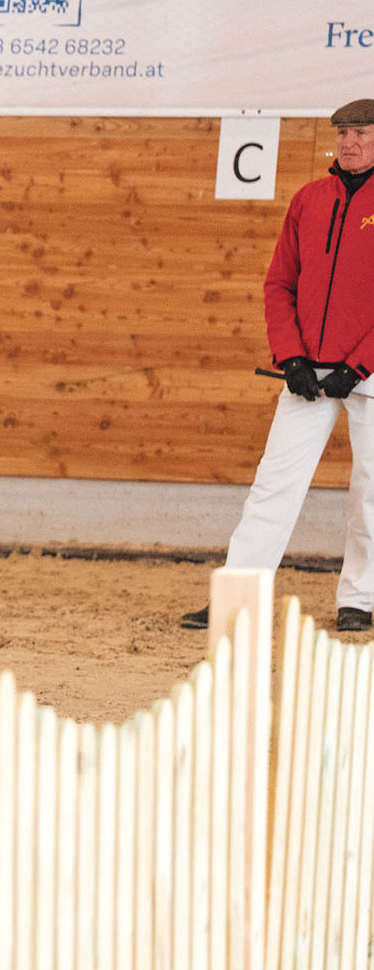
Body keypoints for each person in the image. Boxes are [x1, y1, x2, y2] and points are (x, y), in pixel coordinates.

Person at [182, 98, 374, 635]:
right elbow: (279, 284)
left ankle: (359, 599)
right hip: (308, 375)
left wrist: (358, 367)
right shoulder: (309, 199)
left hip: (369, 375)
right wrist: (289, 354)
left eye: (361, 132)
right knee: (272, 487)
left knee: (371, 493)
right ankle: (236, 599)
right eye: (343, 132)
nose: (349, 142)